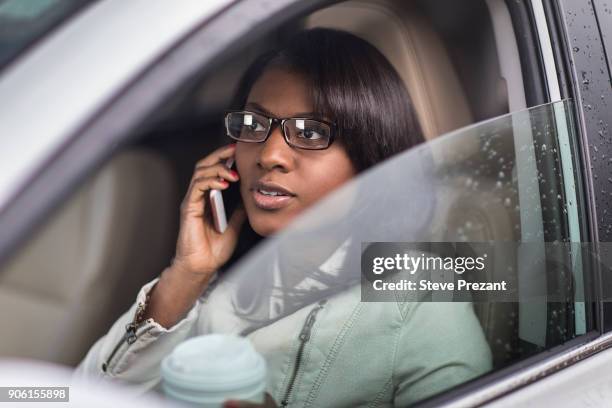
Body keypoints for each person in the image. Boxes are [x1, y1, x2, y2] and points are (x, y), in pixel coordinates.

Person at [75, 28, 491, 407]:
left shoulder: (419, 296)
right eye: (254, 124)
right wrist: (185, 276)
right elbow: (83, 396)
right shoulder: (215, 277)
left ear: (371, 159)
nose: (269, 155)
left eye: (310, 133)